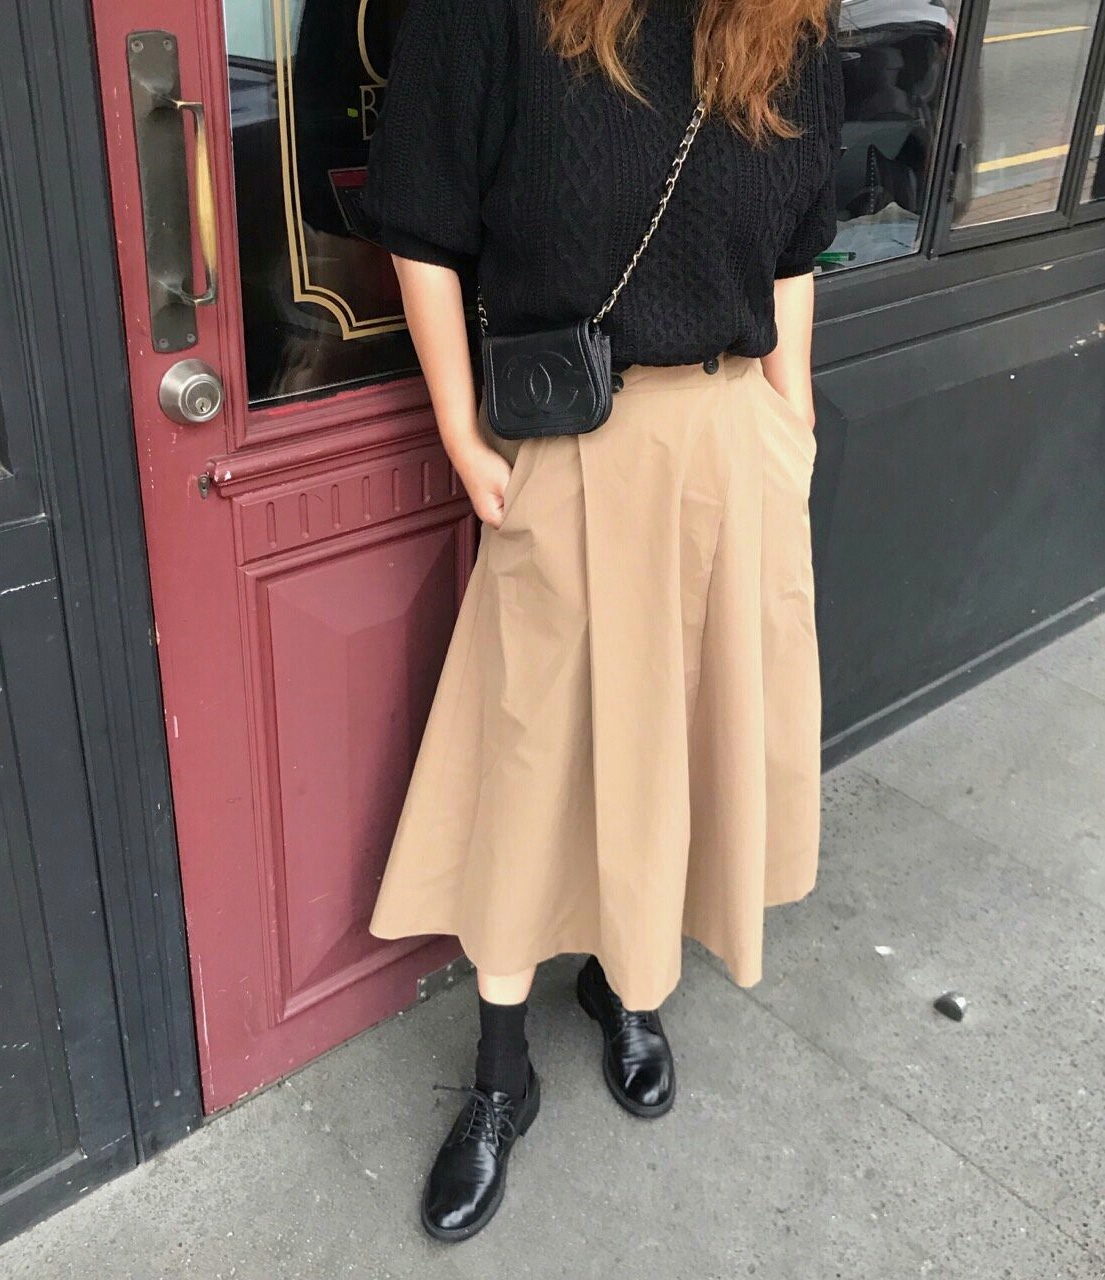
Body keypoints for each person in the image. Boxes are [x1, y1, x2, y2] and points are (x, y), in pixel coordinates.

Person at [360, 0, 842, 1242]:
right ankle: (499, 1071)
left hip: (731, 439)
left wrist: (790, 413)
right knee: (530, 760)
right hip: (577, 440)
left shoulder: (785, 19)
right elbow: (420, 220)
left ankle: (628, 985)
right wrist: (459, 431)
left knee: (677, 740)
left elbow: (799, 243)